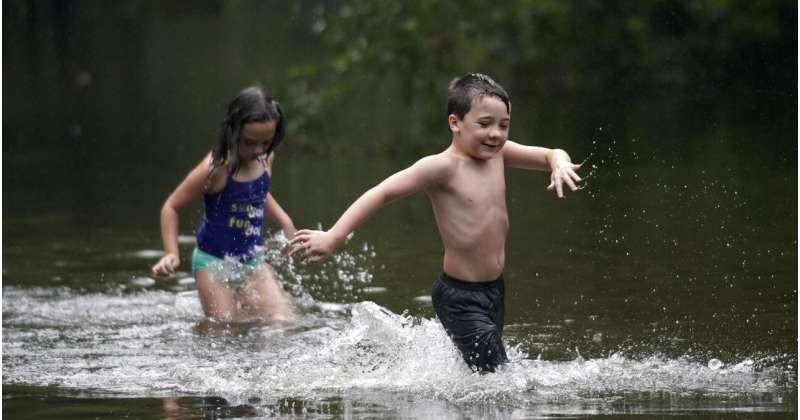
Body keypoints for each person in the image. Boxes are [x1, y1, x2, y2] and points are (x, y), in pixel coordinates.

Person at [285, 73, 582, 373]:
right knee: (499, 376)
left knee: (485, 376)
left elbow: (550, 154)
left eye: (503, 125)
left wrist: (559, 164)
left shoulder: (499, 155)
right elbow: (382, 192)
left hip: (494, 291)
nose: (495, 134)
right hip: (459, 297)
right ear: (455, 123)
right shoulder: (442, 167)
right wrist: (334, 236)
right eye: (484, 124)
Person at [152, 86, 296, 322]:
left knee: (282, 320)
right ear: (233, 131)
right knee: (225, 328)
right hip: (213, 264)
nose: (258, 150)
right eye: (250, 142)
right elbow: (171, 207)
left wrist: (285, 221)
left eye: (266, 142)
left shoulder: (265, 157)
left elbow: (257, 194)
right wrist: (171, 253)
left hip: (251, 261)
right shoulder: (216, 169)